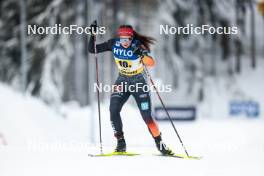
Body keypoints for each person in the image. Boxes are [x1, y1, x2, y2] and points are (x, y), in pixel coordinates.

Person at [88, 21, 174, 155]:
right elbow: (92, 49)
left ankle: (160, 143)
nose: (124, 42)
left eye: (127, 39)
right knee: (113, 110)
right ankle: (121, 143)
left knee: (147, 117)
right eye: (122, 39)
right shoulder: (113, 44)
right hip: (122, 80)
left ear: (131, 38)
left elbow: (151, 63)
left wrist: (142, 55)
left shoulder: (137, 45)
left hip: (139, 82)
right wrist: (92, 35)